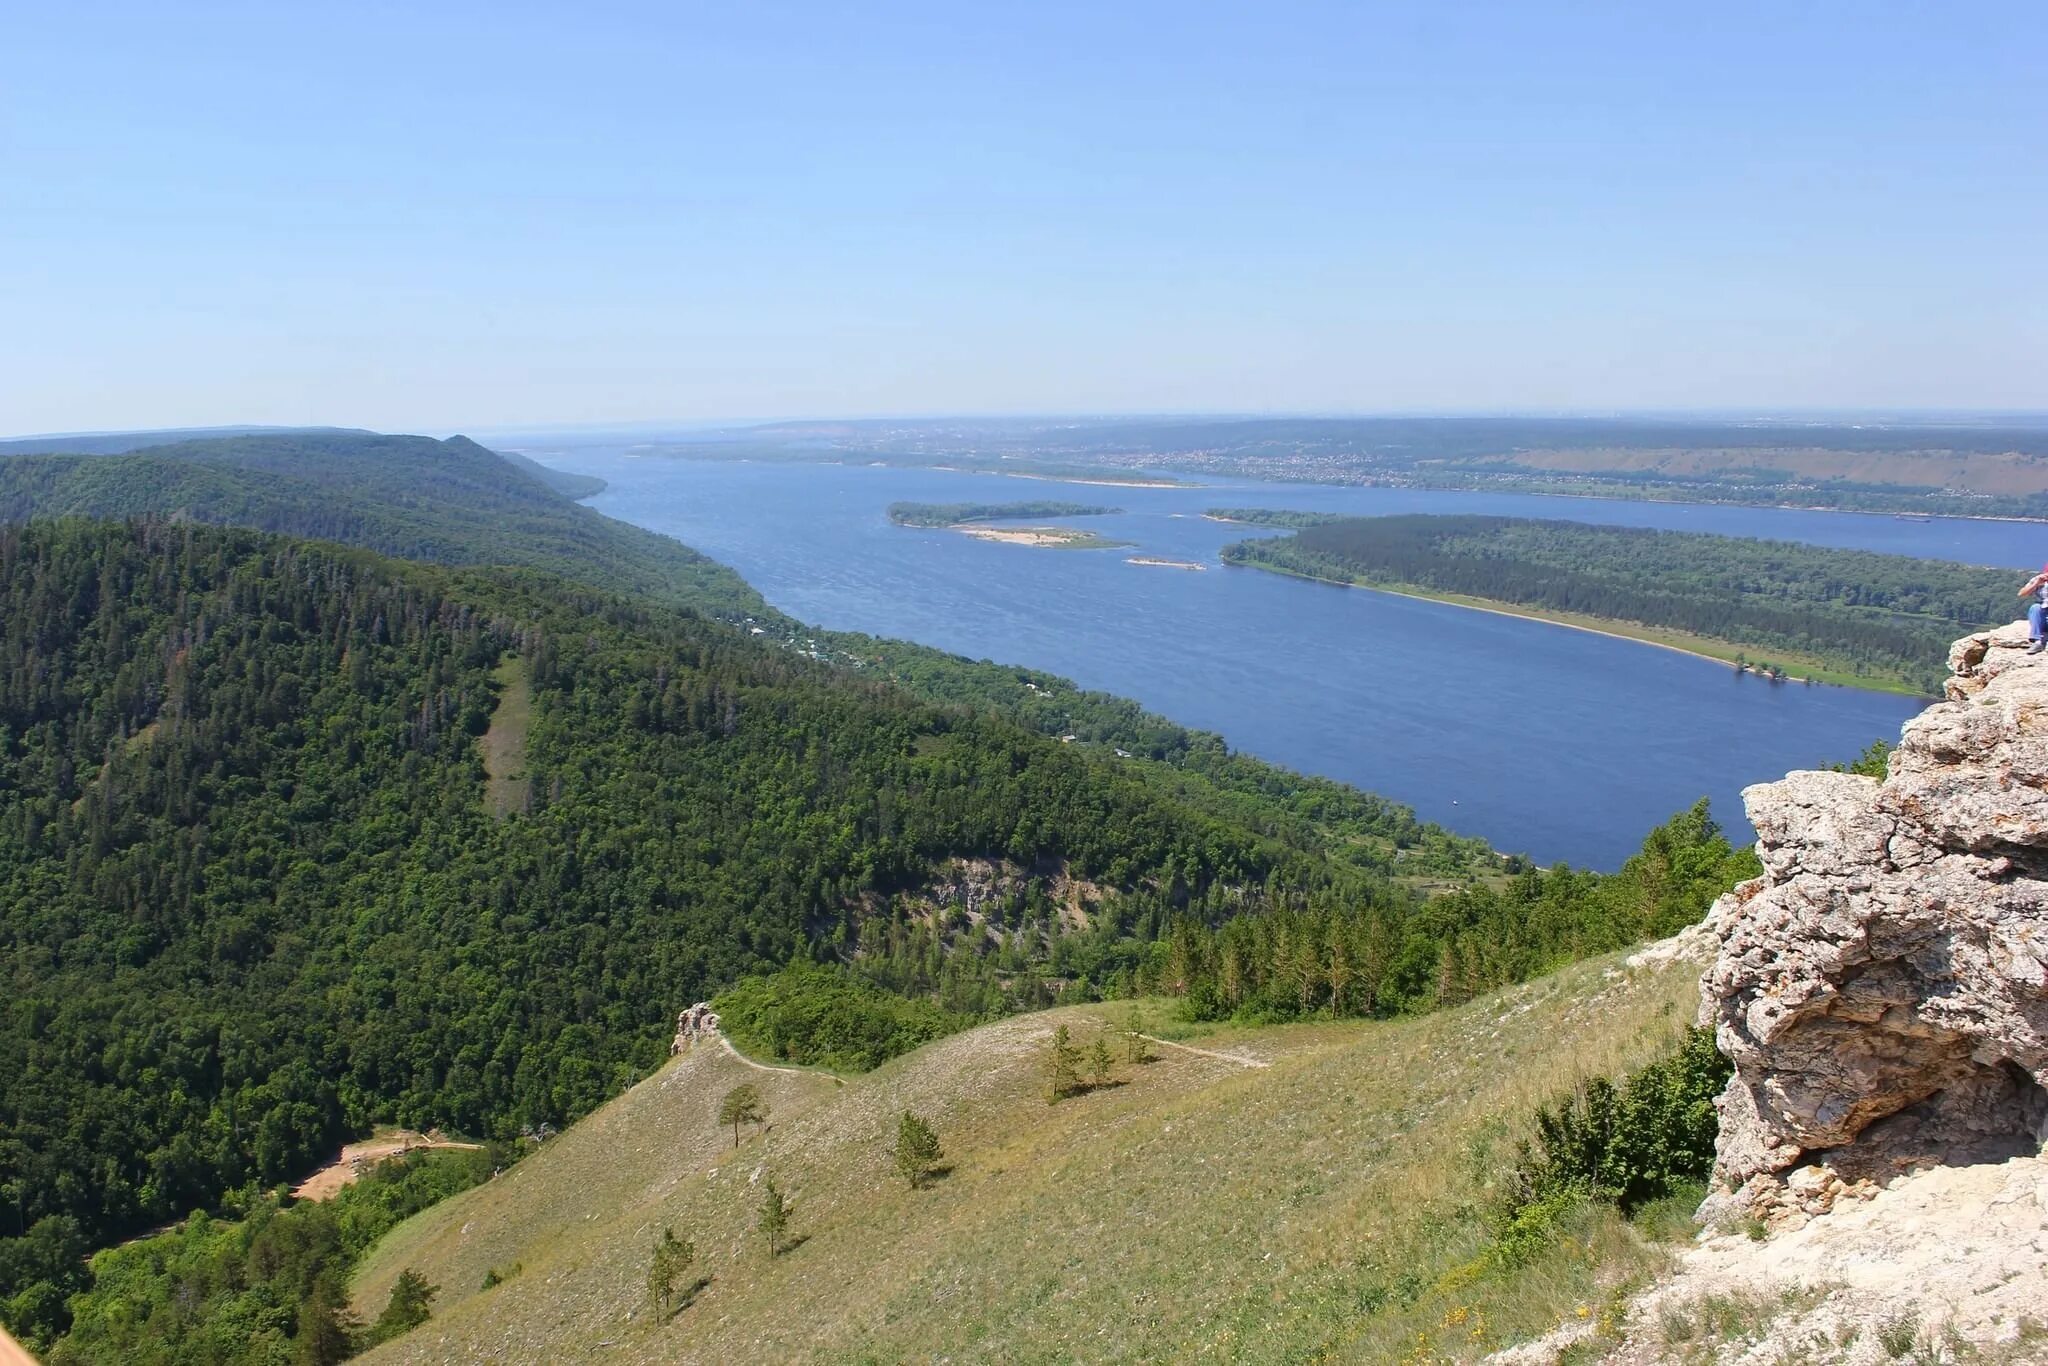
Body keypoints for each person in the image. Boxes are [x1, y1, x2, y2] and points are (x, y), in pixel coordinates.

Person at [2019, 565, 2048, 654]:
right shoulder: (2038, 580)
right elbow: (2022, 593)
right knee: (2035, 608)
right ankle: (2037, 641)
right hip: (2043, 613)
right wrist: (2036, 584)